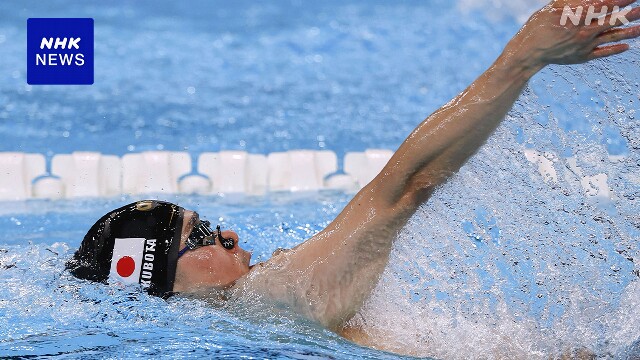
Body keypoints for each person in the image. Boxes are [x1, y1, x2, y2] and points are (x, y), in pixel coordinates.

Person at [66, 0, 640, 352]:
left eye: (211, 224)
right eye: (201, 237)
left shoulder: (257, 319)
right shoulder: (274, 301)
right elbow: (405, 187)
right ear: (164, 284)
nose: (230, 236)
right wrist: (522, 55)